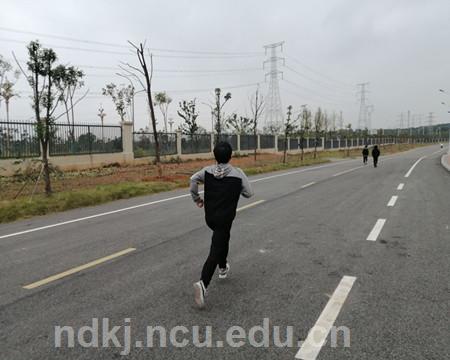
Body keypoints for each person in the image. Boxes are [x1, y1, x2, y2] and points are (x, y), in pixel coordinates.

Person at [190, 141, 253, 308]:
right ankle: (203, 283)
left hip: (210, 217)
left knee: (222, 238)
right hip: (224, 218)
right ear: (231, 155)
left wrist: (197, 198)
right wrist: (235, 187)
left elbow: (193, 180)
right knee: (216, 247)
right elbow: (249, 193)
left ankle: (223, 267)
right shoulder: (237, 174)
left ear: (215, 156)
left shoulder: (207, 171)